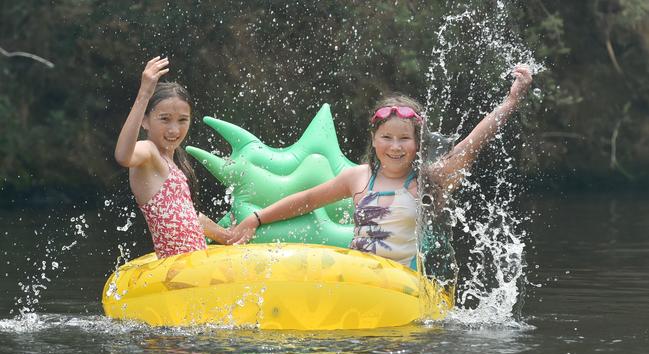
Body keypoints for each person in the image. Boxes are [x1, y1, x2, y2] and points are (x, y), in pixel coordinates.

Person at [228, 65, 533, 268]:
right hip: (358, 277)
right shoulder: (358, 178)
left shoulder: (428, 180)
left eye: (404, 139)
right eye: (387, 137)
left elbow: (471, 143)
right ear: (374, 140)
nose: (395, 147)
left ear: (417, 145)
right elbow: (307, 200)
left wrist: (511, 101)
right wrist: (257, 218)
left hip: (399, 286)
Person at [114, 56, 231, 258]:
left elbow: (190, 216)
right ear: (145, 121)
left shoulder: (175, 165)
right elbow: (124, 156)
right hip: (175, 269)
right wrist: (143, 95)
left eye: (182, 120)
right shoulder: (148, 153)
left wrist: (229, 237)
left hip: (193, 263)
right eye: (165, 119)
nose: (174, 129)